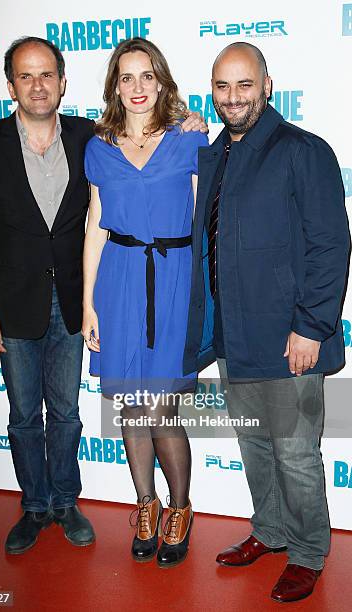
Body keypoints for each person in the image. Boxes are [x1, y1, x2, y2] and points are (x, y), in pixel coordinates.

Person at [183, 42, 350, 602]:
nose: (233, 98)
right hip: (236, 338)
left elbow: (331, 245)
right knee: (255, 447)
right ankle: (271, 530)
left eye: (244, 85)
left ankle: (306, 551)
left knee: (295, 455)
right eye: (222, 87)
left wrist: (311, 326)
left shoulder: (303, 150)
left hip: (290, 341)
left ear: (267, 85)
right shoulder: (215, 154)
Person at [0, 36, 98, 554]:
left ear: (62, 81)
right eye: (26, 75)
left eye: (47, 74)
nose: (37, 85)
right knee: (23, 416)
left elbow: (144, 134)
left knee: (66, 412)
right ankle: (34, 506)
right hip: (12, 305)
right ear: (11, 85)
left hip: (73, 302)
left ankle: (65, 500)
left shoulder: (88, 136)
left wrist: (190, 121)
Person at [82, 37, 208, 568]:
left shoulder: (190, 140)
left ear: (162, 81)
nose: (136, 87)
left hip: (174, 282)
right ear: (114, 84)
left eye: (146, 76)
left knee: (161, 407)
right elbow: (95, 226)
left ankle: (180, 508)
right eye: (126, 77)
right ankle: (147, 505)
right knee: (130, 408)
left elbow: (206, 222)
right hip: (119, 284)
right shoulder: (99, 146)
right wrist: (88, 303)